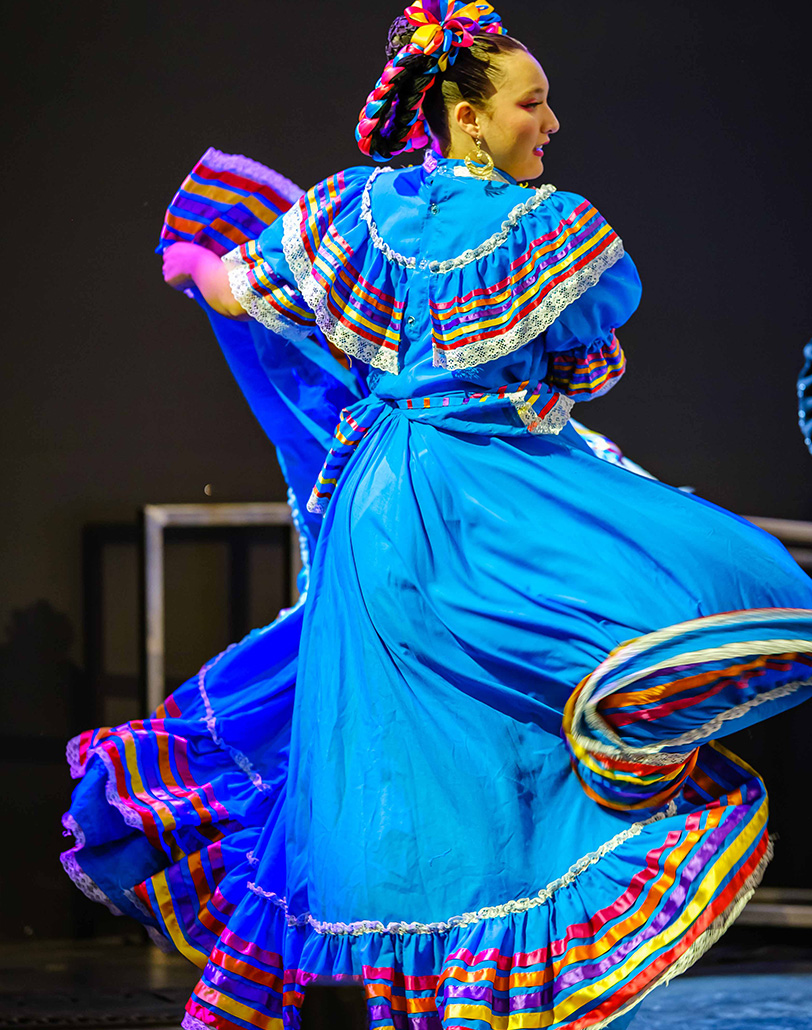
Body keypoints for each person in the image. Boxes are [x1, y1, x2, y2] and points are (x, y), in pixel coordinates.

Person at [63, 3, 812, 1028]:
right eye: (530, 102)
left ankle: (377, 994)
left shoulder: (359, 213)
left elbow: (238, 284)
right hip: (484, 496)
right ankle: (465, 992)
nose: (548, 122)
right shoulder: (544, 228)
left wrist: (194, 267)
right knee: (519, 720)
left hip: (380, 509)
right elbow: (587, 335)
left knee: (398, 754)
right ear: (463, 116)